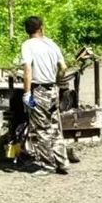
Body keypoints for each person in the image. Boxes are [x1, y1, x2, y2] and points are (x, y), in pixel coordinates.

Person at [20, 16, 70, 176]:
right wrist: (57, 82)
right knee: (54, 126)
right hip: (53, 91)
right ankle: (62, 162)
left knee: (41, 129)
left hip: (38, 91)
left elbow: (28, 69)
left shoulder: (27, 45)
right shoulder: (51, 43)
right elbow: (63, 67)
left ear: (27, 30)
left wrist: (27, 93)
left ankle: (47, 166)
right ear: (41, 27)